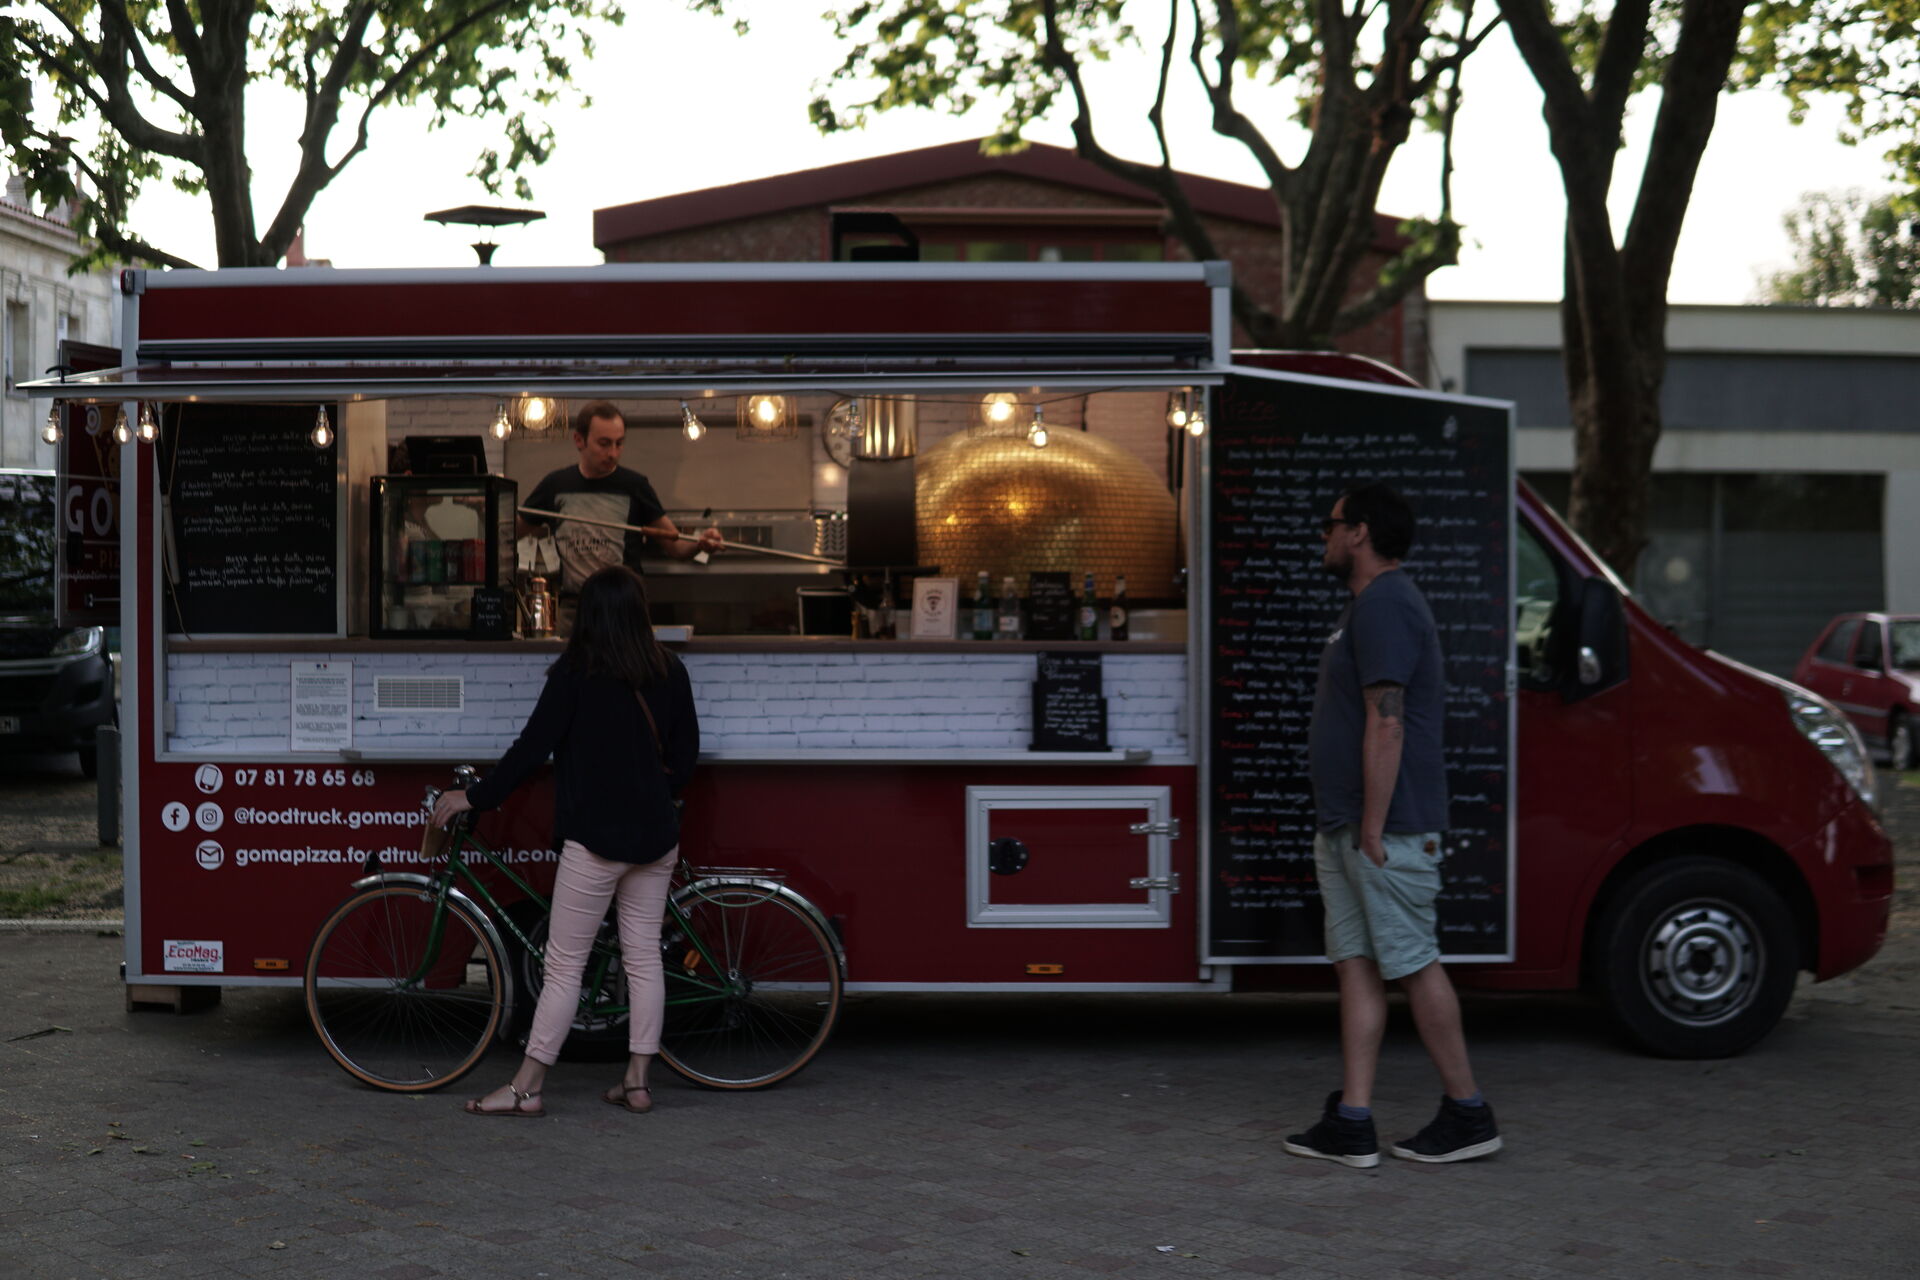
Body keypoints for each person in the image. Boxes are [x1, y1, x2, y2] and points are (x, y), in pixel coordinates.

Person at [1282, 481, 1501, 1168]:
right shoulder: (1364, 607)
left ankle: (1468, 1112)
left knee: (1413, 962)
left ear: (1360, 532)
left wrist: (1373, 828)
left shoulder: (1386, 604)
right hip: (1348, 826)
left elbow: (1387, 722)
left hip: (1385, 830)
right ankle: (1353, 1120)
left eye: (1331, 524)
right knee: (1357, 966)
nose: (1323, 536)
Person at [431, 564, 698, 1118]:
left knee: (564, 966)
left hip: (595, 840)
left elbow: (530, 750)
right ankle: (638, 1082)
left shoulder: (576, 673)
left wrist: (475, 797)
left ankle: (526, 1089)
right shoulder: (670, 669)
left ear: (588, 616)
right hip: (655, 836)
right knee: (643, 958)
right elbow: (685, 759)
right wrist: (650, 794)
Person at [520, 400, 724, 600]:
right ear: (579, 440)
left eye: (619, 443)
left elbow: (676, 546)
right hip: (575, 605)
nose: (613, 453)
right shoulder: (556, 485)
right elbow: (511, 531)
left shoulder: (635, 486)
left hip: (624, 605)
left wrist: (700, 543)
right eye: (604, 444)